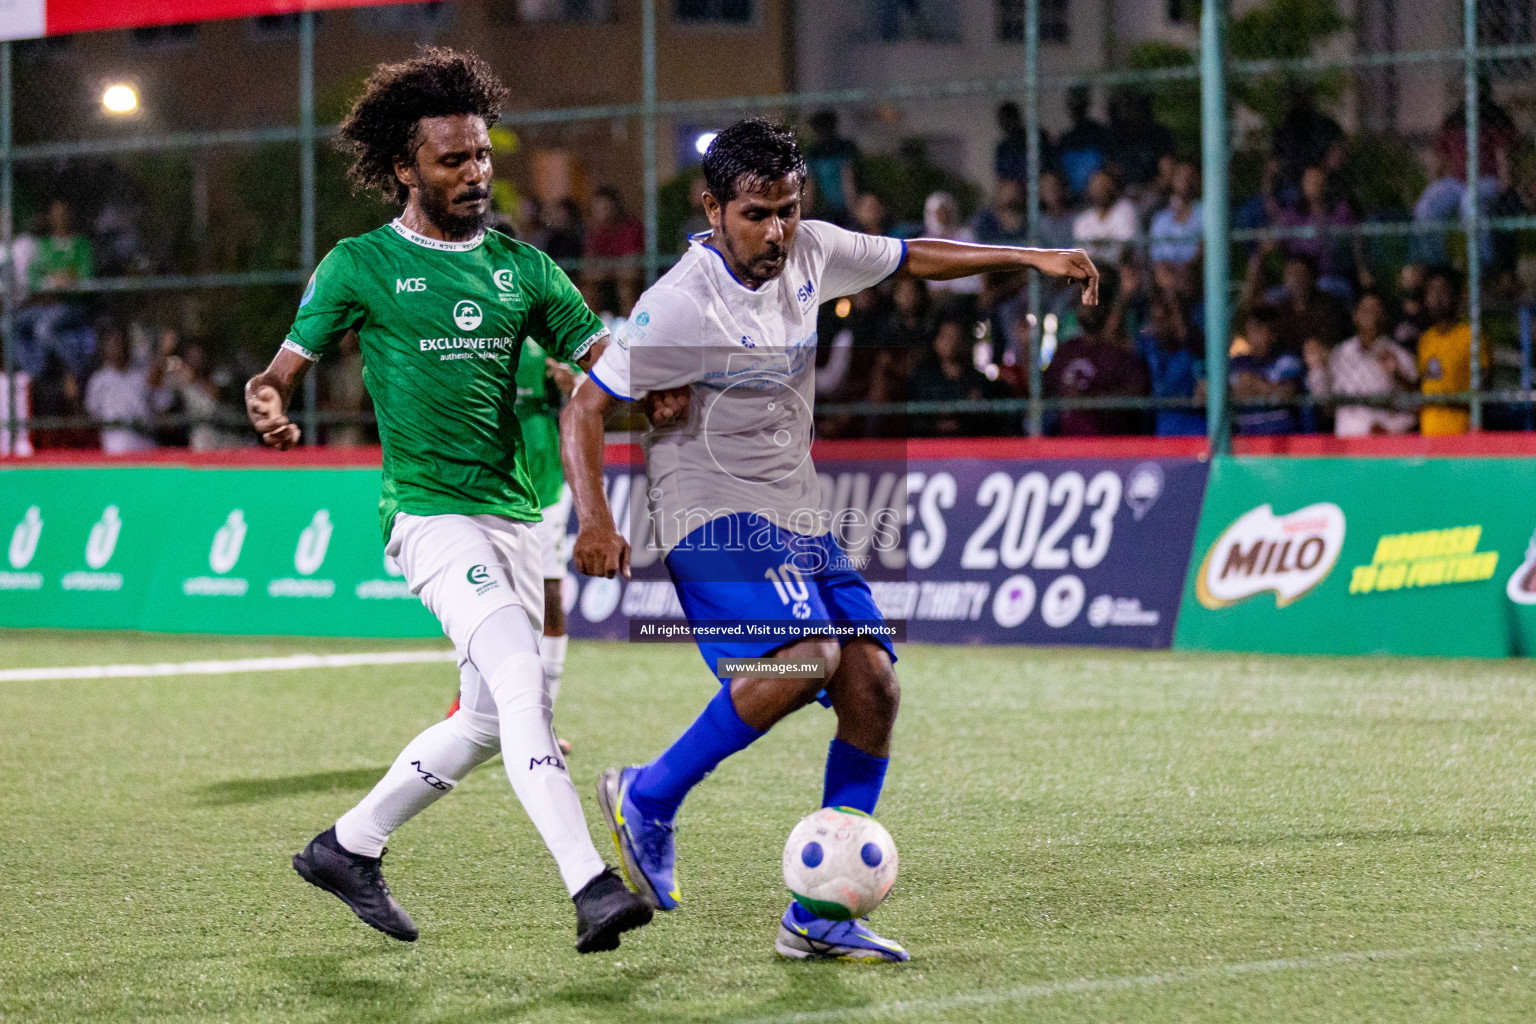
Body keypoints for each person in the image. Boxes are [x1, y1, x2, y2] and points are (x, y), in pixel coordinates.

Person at [560, 118, 1097, 962]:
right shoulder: (680, 303)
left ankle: (819, 916)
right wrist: (594, 517)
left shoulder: (811, 249)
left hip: (797, 516)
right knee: (804, 652)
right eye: (756, 214)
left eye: (787, 208)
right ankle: (648, 798)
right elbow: (586, 407)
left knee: (873, 686)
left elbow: (911, 254)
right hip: (705, 511)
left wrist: (1028, 259)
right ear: (714, 209)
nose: (776, 231)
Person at [241, 48, 652, 954]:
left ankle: (348, 845)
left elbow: (603, 364)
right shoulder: (360, 264)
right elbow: (280, 371)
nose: (474, 174)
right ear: (403, 167)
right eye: (451, 160)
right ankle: (590, 885)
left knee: (480, 721)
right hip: (428, 517)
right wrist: (267, 397)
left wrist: (659, 386)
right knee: (520, 684)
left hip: (514, 518)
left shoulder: (524, 269)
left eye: (481, 157)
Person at [1044, 277, 1150, 436]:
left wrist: (1091, 400)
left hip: (1108, 448)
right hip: (1067, 449)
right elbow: (1046, 390)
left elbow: (1138, 392)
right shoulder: (1066, 350)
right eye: (1081, 303)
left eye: (1091, 303)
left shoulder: (1121, 353)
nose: (1085, 309)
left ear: (1105, 307)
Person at [1303, 291, 1416, 437]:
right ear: (1355, 316)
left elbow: (1415, 409)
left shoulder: (1400, 356)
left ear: (1384, 316)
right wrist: (1317, 368)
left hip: (1387, 447)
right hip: (1348, 443)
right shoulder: (1340, 354)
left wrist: (1397, 376)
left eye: (1376, 311)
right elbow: (1324, 402)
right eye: (1366, 311)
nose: (1371, 317)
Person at [908, 311, 1009, 437]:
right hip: (930, 448)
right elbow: (912, 423)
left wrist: (977, 411)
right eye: (946, 336)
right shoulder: (922, 383)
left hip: (971, 448)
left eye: (957, 337)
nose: (952, 342)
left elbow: (995, 425)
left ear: (966, 342)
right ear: (936, 342)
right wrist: (937, 425)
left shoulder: (981, 383)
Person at [1416, 265, 1488, 437]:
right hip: (1428, 430)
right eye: (1432, 292)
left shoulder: (1471, 336)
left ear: (1456, 296)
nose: (1437, 298)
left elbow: (1485, 385)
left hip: (1462, 429)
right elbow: (1423, 384)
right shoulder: (1425, 339)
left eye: (1443, 291)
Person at [84, 324, 172, 454]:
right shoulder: (98, 380)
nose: (117, 348)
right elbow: (92, 414)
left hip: (146, 447)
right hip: (114, 450)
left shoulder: (143, 374)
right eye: (112, 344)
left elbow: (163, 404)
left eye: (121, 343)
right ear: (104, 348)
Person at [1230, 304, 1303, 435]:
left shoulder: (1287, 361)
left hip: (1280, 433)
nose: (1252, 335)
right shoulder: (1237, 363)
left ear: (1273, 332)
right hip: (1243, 434)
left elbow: (1286, 394)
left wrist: (1256, 385)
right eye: (1249, 330)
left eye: (1258, 329)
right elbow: (1219, 391)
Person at [1055, 85, 1113, 199]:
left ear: (1086, 104)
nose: (1077, 108)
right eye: (1073, 104)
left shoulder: (1100, 134)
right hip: (1072, 199)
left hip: (1096, 197)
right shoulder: (1065, 140)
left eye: (1080, 103)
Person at [1072, 169, 1138, 269]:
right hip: (1091, 270)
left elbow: (1126, 250)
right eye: (1096, 186)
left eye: (1104, 185)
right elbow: (1080, 253)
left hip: (1119, 269)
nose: (1100, 190)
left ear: (1113, 186)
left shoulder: (1125, 209)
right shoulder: (1083, 220)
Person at [804, 109, 860, 221]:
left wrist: (853, 207)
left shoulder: (844, 148)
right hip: (829, 208)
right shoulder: (815, 152)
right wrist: (807, 211)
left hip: (849, 206)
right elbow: (810, 183)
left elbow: (848, 177)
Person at [1148, 162, 1202, 267]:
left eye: (1190, 176)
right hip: (1167, 275)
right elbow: (1156, 255)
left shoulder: (1207, 213)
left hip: (1194, 272)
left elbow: (1206, 249)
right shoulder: (1160, 218)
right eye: (1180, 175)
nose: (1185, 180)